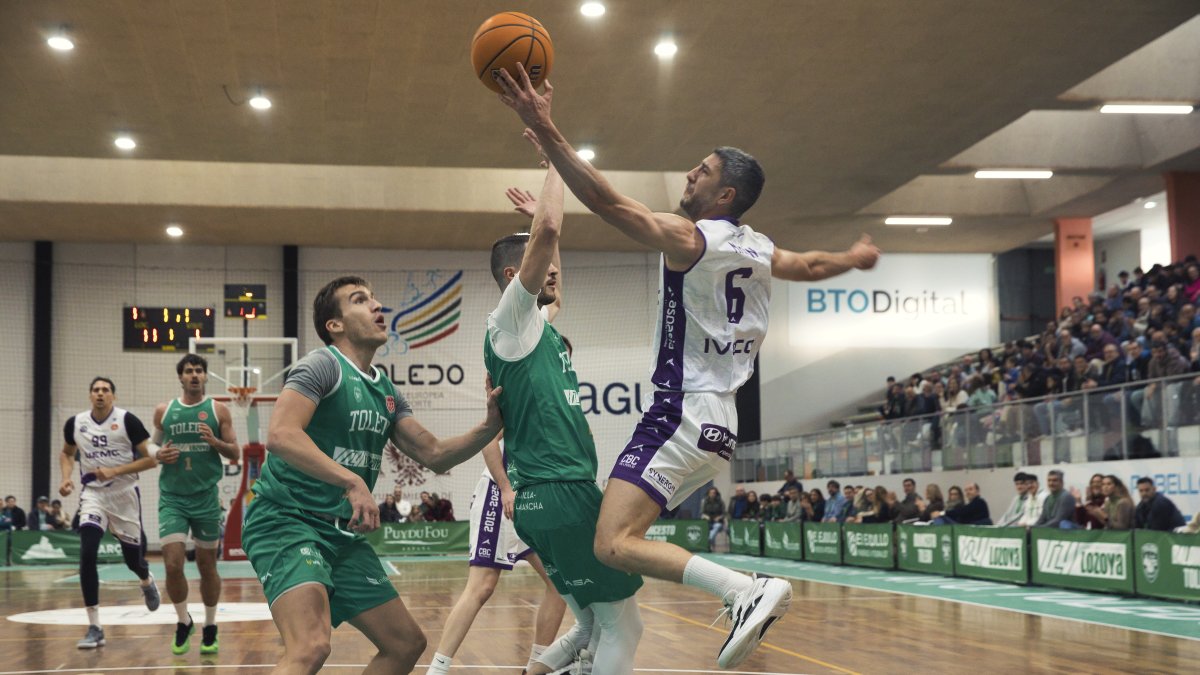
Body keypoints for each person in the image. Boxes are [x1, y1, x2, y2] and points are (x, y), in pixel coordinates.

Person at [494, 64, 881, 670]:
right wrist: (852, 258)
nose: (689, 175)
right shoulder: (758, 246)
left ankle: (744, 590)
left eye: (702, 171)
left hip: (683, 410)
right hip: (719, 423)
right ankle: (587, 634)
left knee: (612, 542)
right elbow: (808, 265)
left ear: (724, 196)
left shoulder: (690, 236)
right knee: (610, 537)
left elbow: (606, 201)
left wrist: (545, 128)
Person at [241, 276, 504, 675]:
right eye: (360, 300)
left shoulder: (386, 392)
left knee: (405, 645)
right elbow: (280, 435)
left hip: (340, 534)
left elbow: (434, 454)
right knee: (310, 647)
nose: (377, 305)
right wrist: (351, 480)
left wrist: (489, 426)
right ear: (335, 324)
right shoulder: (323, 365)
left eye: (375, 298)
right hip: (286, 520)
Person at [481, 140, 644, 675]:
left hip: (546, 497)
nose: (552, 272)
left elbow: (557, 277)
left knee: (591, 624)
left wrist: (550, 237)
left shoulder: (536, 328)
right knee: (624, 628)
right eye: (543, 265)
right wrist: (554, 164)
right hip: (560, 491)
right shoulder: (512, 321)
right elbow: (548, 231)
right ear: (515, 279)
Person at [59, 376, 162, 649]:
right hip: (93, 495)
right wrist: (66, 478)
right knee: (87, 553)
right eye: (96, 390)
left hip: (125, 496)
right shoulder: (75, 423)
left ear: (113, 396)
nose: (100, 393)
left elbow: (151, 460)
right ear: (90, 395)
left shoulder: (127, 421)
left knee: (133, 561)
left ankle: (146, 579)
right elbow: (67, 453)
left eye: (105, 390)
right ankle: (95, 627)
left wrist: (115, 470)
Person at [153, 354, 241, 655]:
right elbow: (151, 445)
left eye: (199, 370)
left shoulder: (218, 410)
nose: (194, 375)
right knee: (172, 564)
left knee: (207, 565)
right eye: (189, 371)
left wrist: (216, 443)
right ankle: (183, 621)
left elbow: (236, 453)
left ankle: (211, 625)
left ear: (205, 377)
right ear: (180, 377)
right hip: (172, 498)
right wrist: (157, 454)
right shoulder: (165, 411)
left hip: (205, 499)